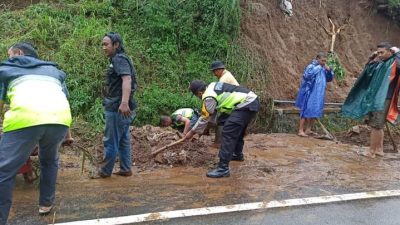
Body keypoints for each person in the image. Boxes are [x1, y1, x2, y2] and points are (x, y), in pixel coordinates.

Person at [0, 42, 72, 223]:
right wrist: (68, 135)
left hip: (27, 119)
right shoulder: (53, 71)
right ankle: (46, 204)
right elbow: (63, 100)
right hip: (59, 119)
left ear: (18, 53)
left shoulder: (9, 69)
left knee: (3, 170)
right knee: (49, 160)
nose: (9, 58)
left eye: (10, 54)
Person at [185, 80, 259, 178]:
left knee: (228, 132)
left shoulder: (208, 97)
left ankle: (223, 168)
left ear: (199, 93)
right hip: (250, 101)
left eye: (196, 96)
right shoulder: (212, 86)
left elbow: (205, 117)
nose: (198, 98)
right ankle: (237, 154)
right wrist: (202, 130)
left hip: (246, 103)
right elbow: (212, 114)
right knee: (226, 122)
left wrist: (192, 132)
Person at [342, 43, 400, 158]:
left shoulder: (394, 63)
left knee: (376, 126)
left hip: (384, 98)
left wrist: (397, 53)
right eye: (378, 52)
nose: (380, 55)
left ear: (390, 52)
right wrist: (371, 58)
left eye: (382, 52)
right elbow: (368, 70)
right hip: (376, 97)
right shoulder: (381, 64)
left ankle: (371, 152)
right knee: (378, 125)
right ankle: (379, 150)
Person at [99, 32, 137, 178]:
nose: (104, 47)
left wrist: (124, 103)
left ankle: (104, 171)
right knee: (123, 139)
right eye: (102, 44)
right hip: (121, 106)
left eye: (106, 44)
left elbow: (126, 80)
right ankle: (126, 168)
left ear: (116, 45)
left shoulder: (118, 59)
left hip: (117, 107)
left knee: (111, 140)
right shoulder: (121, 59)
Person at [295, 52, 334, 137]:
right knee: (306, 110)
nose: (324, 62)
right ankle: (300, 130)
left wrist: (329, 71)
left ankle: (308, 129)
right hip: (310, 92)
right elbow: (307, 76)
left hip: (319, 94)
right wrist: (319, 67)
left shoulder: (324, 68)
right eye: (322, 60)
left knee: (315, 110)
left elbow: (329, 79)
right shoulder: (311, 66)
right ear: (317, 59)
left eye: (325, 61)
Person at [209, 60, 239, 146]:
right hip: (234, 101)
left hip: (233, 102)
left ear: (219, 70)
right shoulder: (227, 74)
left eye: (214, 71)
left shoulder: (224, 78)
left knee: (221, 121)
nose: (214, 74)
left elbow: (217, 93)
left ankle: (218, 143)